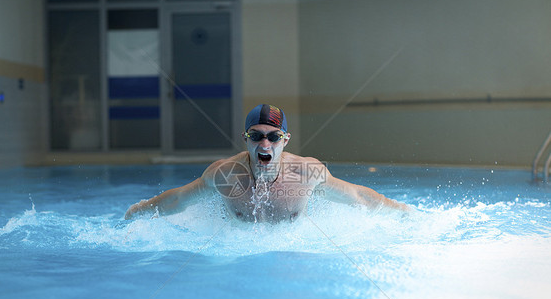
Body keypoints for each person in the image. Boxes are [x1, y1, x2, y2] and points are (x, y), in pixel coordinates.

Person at [125, 104, 411, 222]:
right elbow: (179, 200)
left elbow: (357, 197)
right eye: (256, 136)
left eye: (273, 137)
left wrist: (401, 211)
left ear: (285, 140)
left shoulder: (307, 172)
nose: (265, 144)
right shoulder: (225, 174)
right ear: (245, 139)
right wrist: (138, 211)